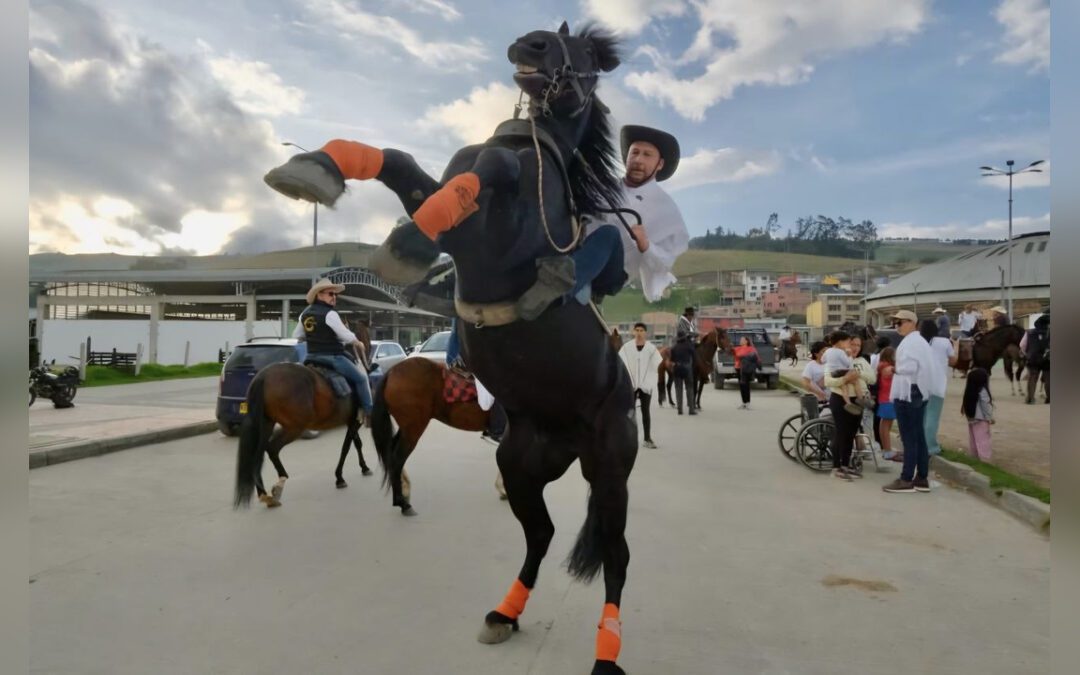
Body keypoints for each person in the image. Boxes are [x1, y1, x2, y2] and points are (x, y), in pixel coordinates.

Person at [516, 125, 689, 320]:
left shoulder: (666, 209)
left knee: (610, 234)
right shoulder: (601, 185)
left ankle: (555, 292)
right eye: (634, 153)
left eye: (647, 155)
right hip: (573, 250)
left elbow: (665, 263)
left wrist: (646, 245)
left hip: (612, 274)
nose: (638, 160)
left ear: (660, 164)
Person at [293, 279, 374, 422]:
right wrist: (357, 342)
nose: (334, 297)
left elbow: (297, 335)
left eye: (336, 295)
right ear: (319, 295)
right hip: (332, 357)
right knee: (361, 379)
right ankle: (369, 413)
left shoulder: (304, 314)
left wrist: (314, 336)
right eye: (330, 294)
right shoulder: (330, 314)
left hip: (311, 357)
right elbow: (345, 335)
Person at [882, 310, 936, 494]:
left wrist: (893, 369)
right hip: (918, 391)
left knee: (909, 438)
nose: (897, 326)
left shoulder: (912, 342)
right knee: (918, 436)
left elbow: (910, 367)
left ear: (912, 322)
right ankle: (921, 477)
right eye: (895, 323)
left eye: (900, 322)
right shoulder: (919, 341)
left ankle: (906, 479)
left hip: (909, 392)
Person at [619, 322, 662, 448]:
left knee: (645, 412)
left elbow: (656, 365)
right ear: (633, 332)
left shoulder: (651, 349)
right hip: (630, 385)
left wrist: (651, 379)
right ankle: (626, 438)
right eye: (637, 330)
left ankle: (647, 439)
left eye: (641, 330)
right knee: (629, 412)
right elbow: (620, 363)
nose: (639, 333)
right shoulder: (627, 348)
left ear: (645, 333)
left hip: (645, 385)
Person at [919, 318, 958, 457]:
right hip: (937, 385)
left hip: (921, 384)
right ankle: (931, 447)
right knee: (933, 417)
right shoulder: (944, 342)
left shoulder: (919, 342)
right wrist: (956, 346)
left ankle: (921, 444)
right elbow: (953, 361)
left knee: (922, 417)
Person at [823, 331, 869, 416]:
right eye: (848, 343)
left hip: (834, 372)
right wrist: (849, 356)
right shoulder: (840, 352)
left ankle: (848, 403)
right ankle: (860, 399)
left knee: (844, 387)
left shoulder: (828, 351)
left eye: (858, 345)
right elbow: (848, 363)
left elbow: (823, 360)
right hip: (842, 372)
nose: (849, 346)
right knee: (855, 381)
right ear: (841, 342)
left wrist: (830, 362)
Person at [961, 368, 994, 461]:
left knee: (974, 439)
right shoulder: (982, 390)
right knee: (983, 439)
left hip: (971, 418)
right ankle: (985, 458)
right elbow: (985, 405)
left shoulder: (969, 391)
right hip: (981, 419)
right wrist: (989, 417)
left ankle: (974, 457)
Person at [1020, 312, 1050, 404]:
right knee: (1048, 378)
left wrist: (1027, 354)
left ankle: (1030, 399)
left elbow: (1022, 345)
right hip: (1047, 358)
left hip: (1033, 358)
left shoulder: (1029, 332)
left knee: (1032, 378)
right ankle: (1049, 398)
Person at [876, 347, 899, 461]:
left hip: (885, 398)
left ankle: (887, 449)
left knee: (886, 424)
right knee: (886, 424)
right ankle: (887, 450)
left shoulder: (882, 366)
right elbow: (898, 370)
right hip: (887, 399)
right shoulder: (887, 367)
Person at [670, 330, 697, 415]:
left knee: (678, 389)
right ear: (685, 337)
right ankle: (691, 410)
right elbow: (694, 357)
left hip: (677, 368)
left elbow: (672, 360)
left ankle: (680, 410)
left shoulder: (674, 347)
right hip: (687, 368)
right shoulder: (689, 346)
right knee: (689, 388)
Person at [733, 336, 759, 410]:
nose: (740, 341)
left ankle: (748, 403)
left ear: (746, 341)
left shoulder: (751, 348)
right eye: (740, 339)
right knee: (741, 386)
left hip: (746, 369)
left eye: (742, 340)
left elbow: (756, 357)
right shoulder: (737, 348)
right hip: (738, 369)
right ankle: (744, 403)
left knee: (746, 386)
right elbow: (731, 352)